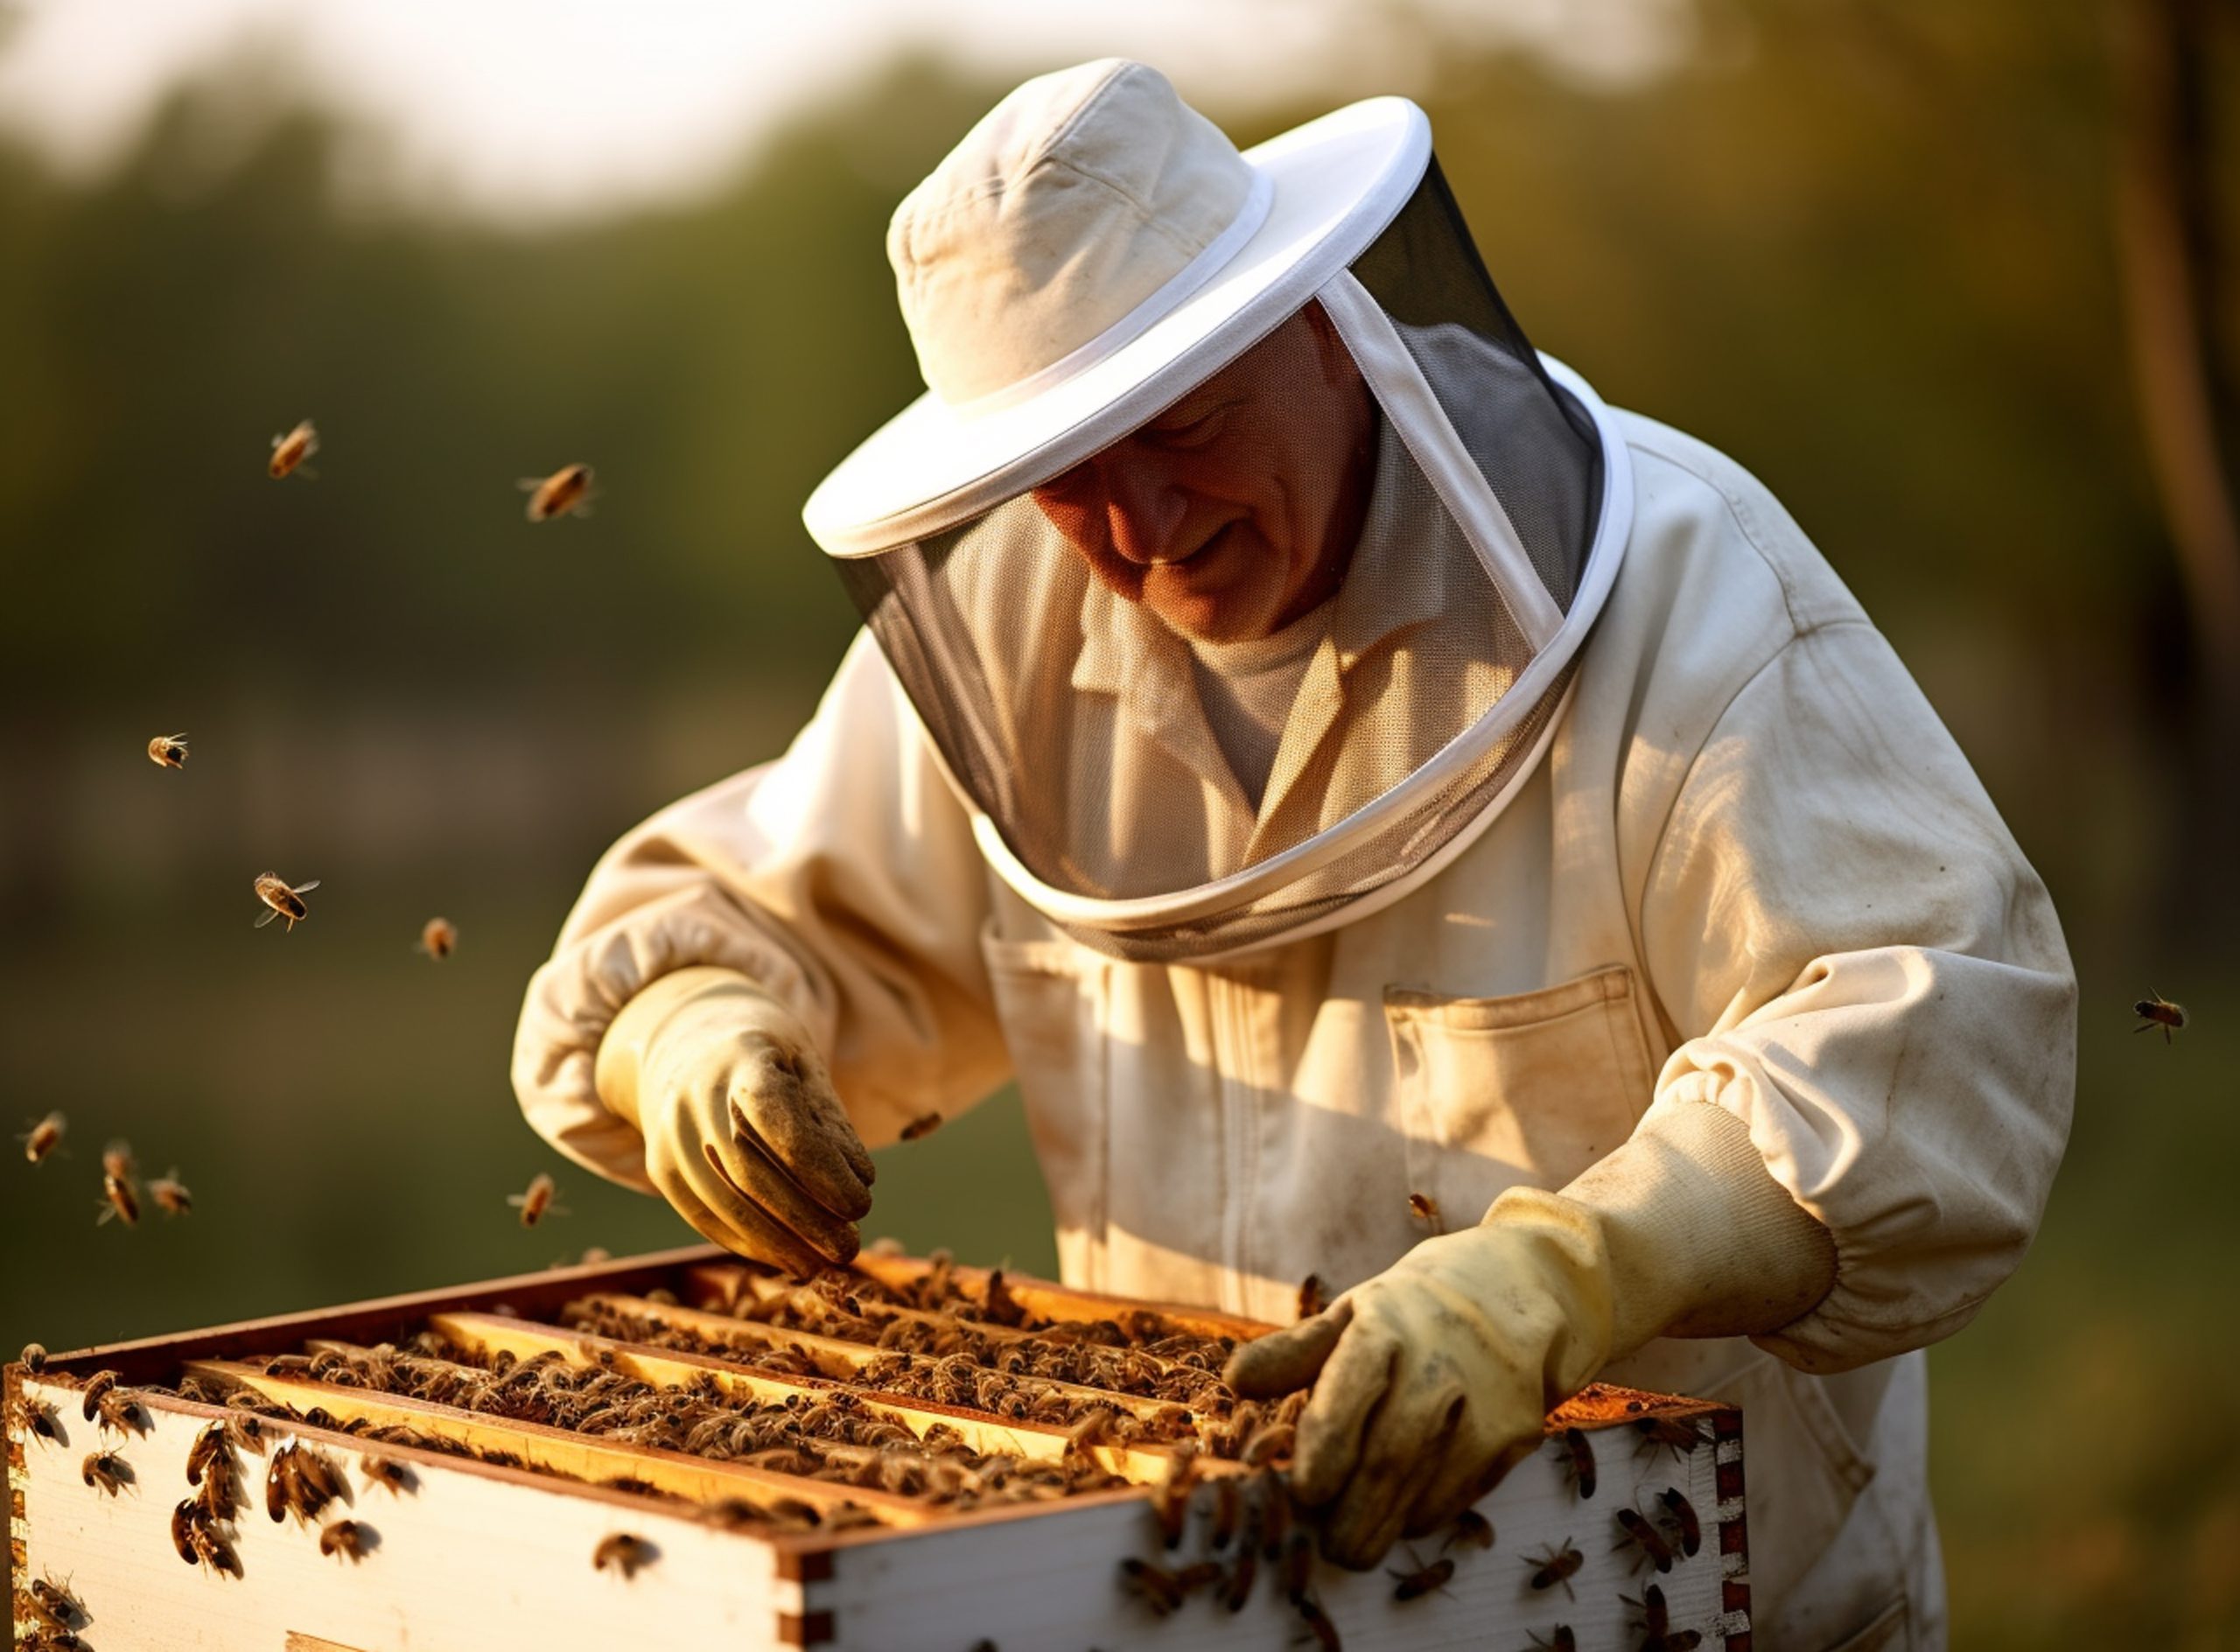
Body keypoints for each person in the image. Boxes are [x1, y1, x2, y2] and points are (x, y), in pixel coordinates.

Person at [513, 60, 2074, 1648]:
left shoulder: (1686, 589)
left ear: (1318, 319)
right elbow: (751, 915)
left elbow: (1932, 1032)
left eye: (1178, 422)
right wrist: (687, 1032)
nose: (1138, 530)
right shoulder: (1012, 638)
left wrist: (1581, 1277)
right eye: (1065, 475)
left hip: (1692, 1602)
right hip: (1225, 1591)